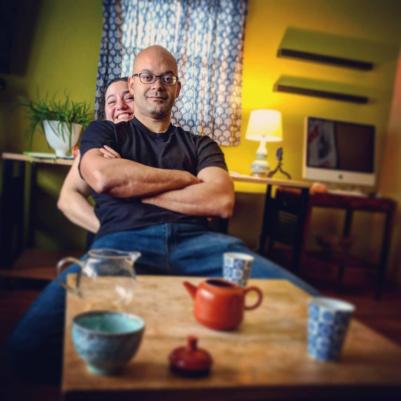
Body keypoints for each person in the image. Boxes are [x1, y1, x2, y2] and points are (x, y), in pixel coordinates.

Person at [7, 45, 317, 385]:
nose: (157, 85)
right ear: (133, 85)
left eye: (167, 78)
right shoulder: (105, 133)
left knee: (311, 306)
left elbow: (220, 200)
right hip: (120, 250)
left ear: (177, 88)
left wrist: (131, 186)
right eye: (147, 77)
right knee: (24, 347)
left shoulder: (202, 144)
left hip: (203, 245)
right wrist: (185, 179)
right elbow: (103, 178)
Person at [57, 77, 134, 233]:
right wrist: (109, 231)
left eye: (129, 98)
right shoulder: (99, 142)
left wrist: (123, 169)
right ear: (105, 112)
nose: (120, 106)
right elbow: (67, 198)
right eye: (111, 102)